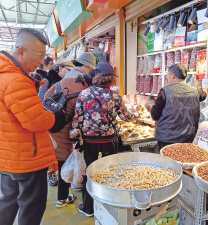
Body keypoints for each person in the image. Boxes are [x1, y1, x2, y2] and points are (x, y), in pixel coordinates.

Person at [0, 28, 58, 225]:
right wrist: (51, 115)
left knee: (9, 200)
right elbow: (35, 120)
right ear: (21, 50)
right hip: (25, 158)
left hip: (8, 155)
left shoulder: (7, 74)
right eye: (40, 55)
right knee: (31, 207)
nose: (42, 61)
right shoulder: (15, 79)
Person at [70, 61, 137, 217]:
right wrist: (136, 116)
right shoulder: (114, 95)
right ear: (111, 78)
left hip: (89, 140)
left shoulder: (84, 94)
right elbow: (125, 116)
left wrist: (74, 138)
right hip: (109, 139)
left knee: (90, 172)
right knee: (110, 172)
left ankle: (88, 208)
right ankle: (109, 206)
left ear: (96, 77)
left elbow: (77, 119)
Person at [44, 55, 96, 208]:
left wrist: (57, 110)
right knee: (64, 162)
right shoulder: (85, 89)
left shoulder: (65, 80)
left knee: (59, 160)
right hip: (67, 128)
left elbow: (47, 96)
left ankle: (62, 194)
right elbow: (82, 115)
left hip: (52, 124)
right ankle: (62, 198)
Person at [151, 64, 207, 150]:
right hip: (188, 137)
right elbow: (203, 95)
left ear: (173, 75)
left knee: (168, 161)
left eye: (168, 75)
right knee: (183, 160)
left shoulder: (165, 92)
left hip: (168, 138)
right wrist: (206, 88)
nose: (167, 78)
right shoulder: (195, 91)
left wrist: (150, 106)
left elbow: (155, 115)